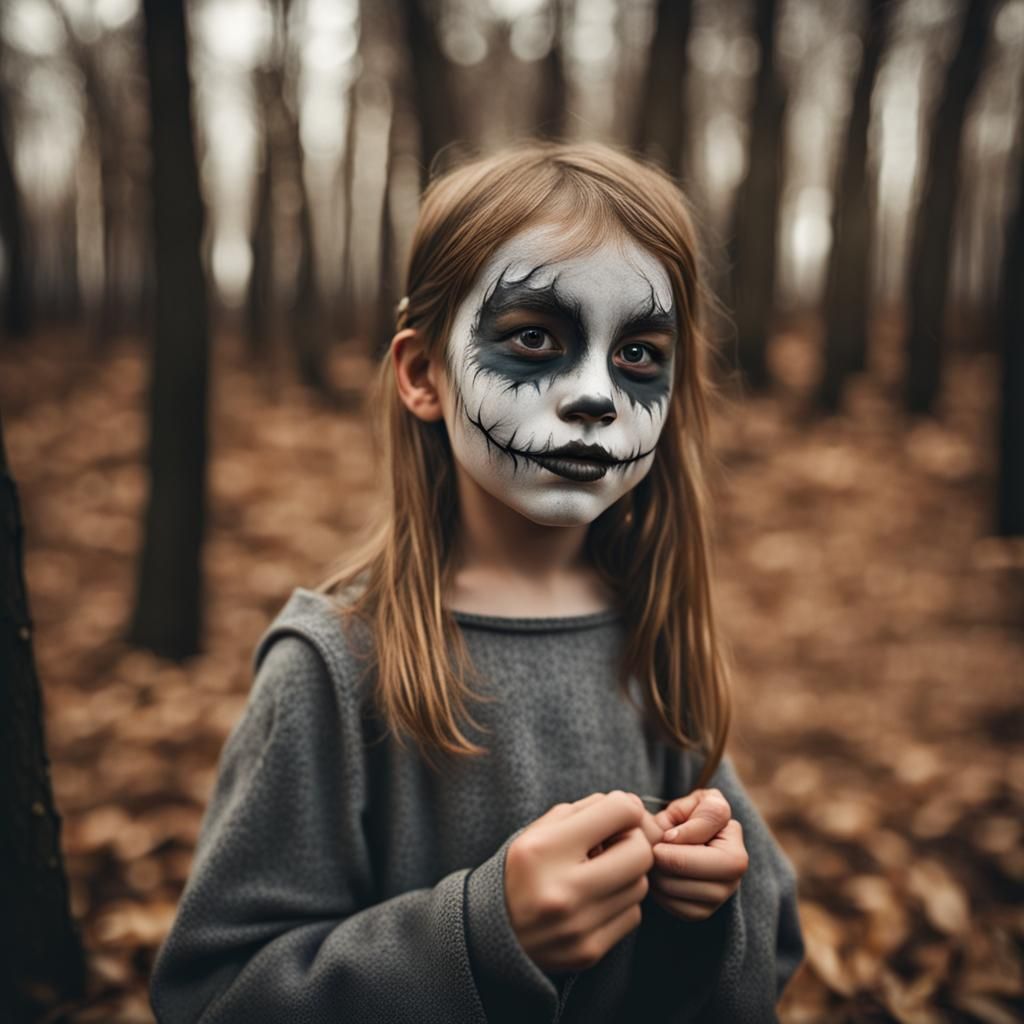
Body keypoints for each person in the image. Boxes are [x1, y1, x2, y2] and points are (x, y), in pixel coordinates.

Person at [149, 141, 804, 1023]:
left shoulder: (655, 640)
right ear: (422, 374)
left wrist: (713, 909)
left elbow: (777, 943)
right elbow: (212, 994)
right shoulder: (336, 665)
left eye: (639, 355)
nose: (595, 396)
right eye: (535, 339)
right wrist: (483, 939)